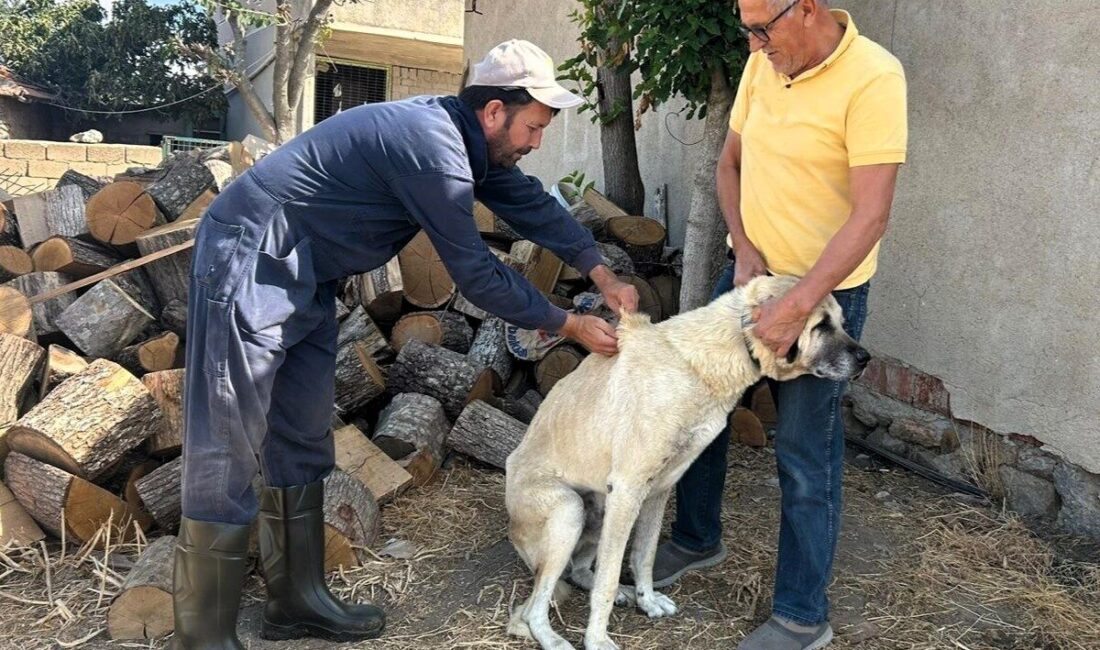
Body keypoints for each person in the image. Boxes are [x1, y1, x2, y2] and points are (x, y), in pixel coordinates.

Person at [169, 39, 639, 649]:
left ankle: (295, 599)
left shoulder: (470, 144)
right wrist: (567, 323)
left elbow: (528, 203)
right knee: (228, 434)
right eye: (533, 126)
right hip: (251, 256)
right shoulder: (433, 146)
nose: (535, 143)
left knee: (304, 429)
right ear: (494, 112)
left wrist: (600, 271)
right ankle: (201, 633)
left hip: (309, 273)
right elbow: (473, 271)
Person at [646, 2, 907, 649]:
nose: (755, 44)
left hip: (826, 298)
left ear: (810, 7)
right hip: (748, 283)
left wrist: (798, 306)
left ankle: (800, 616)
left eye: (763, 28)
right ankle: (695, 539)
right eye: (747, 30)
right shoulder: (764, 65)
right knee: (700, 415)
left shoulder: (875, 76)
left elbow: (871, 215)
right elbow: (729, 164)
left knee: (802, 449)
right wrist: (743, 245)